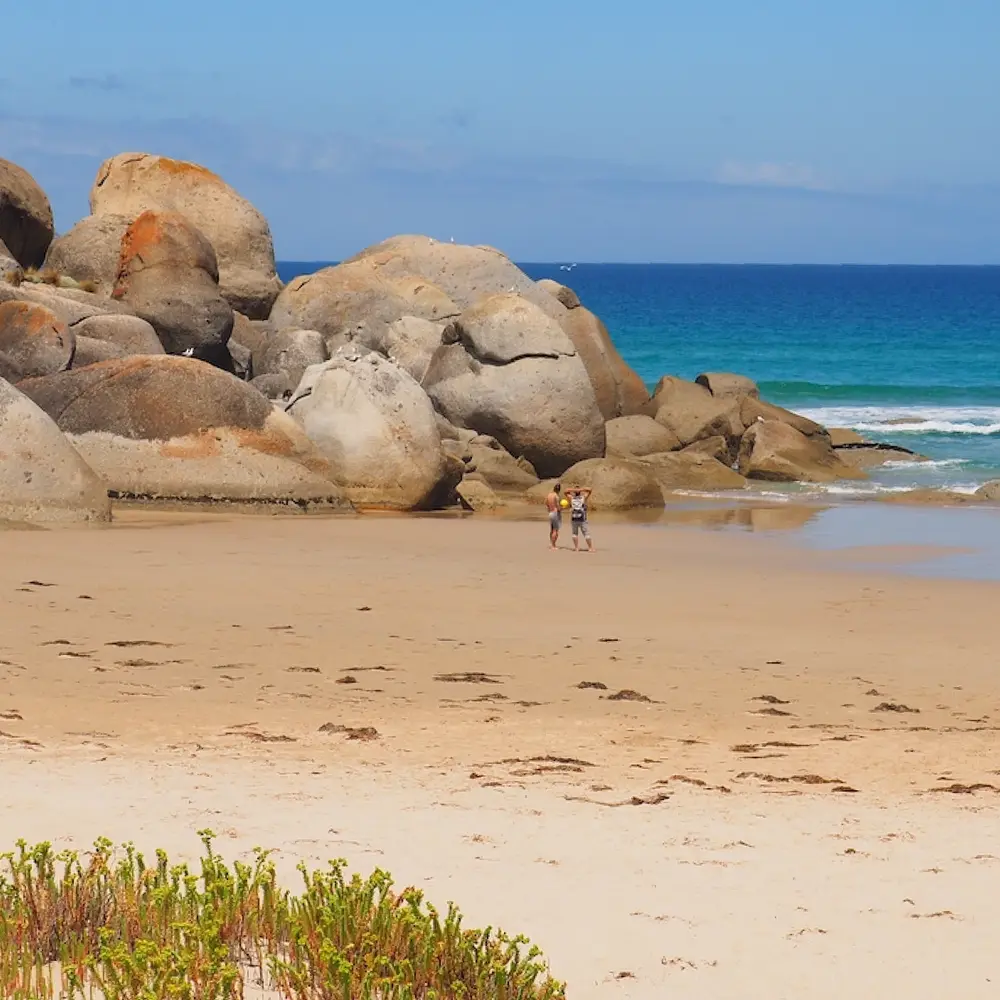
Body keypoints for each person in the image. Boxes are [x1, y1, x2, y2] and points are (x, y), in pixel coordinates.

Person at [565, 486, 594, 552]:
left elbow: (566, 491)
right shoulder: (583, 497)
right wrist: (580, 489)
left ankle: (576, 548)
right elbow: (590, 490)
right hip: (582, 518)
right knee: (586, 533)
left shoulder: (571, 498)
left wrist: (574, 490)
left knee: (574, 533)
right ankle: (590, 548)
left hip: (574, 518)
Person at [545, 482, 563, 549]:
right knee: (555, 530)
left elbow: (546, 503)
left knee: (552, 529)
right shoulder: (556, 496)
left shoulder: (549, 495)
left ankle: (551, 544)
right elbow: (558, 506)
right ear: (559, 490)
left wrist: (549, 508)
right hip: (555, 513)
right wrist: (562, 508)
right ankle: (553, 545)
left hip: (550, 513)